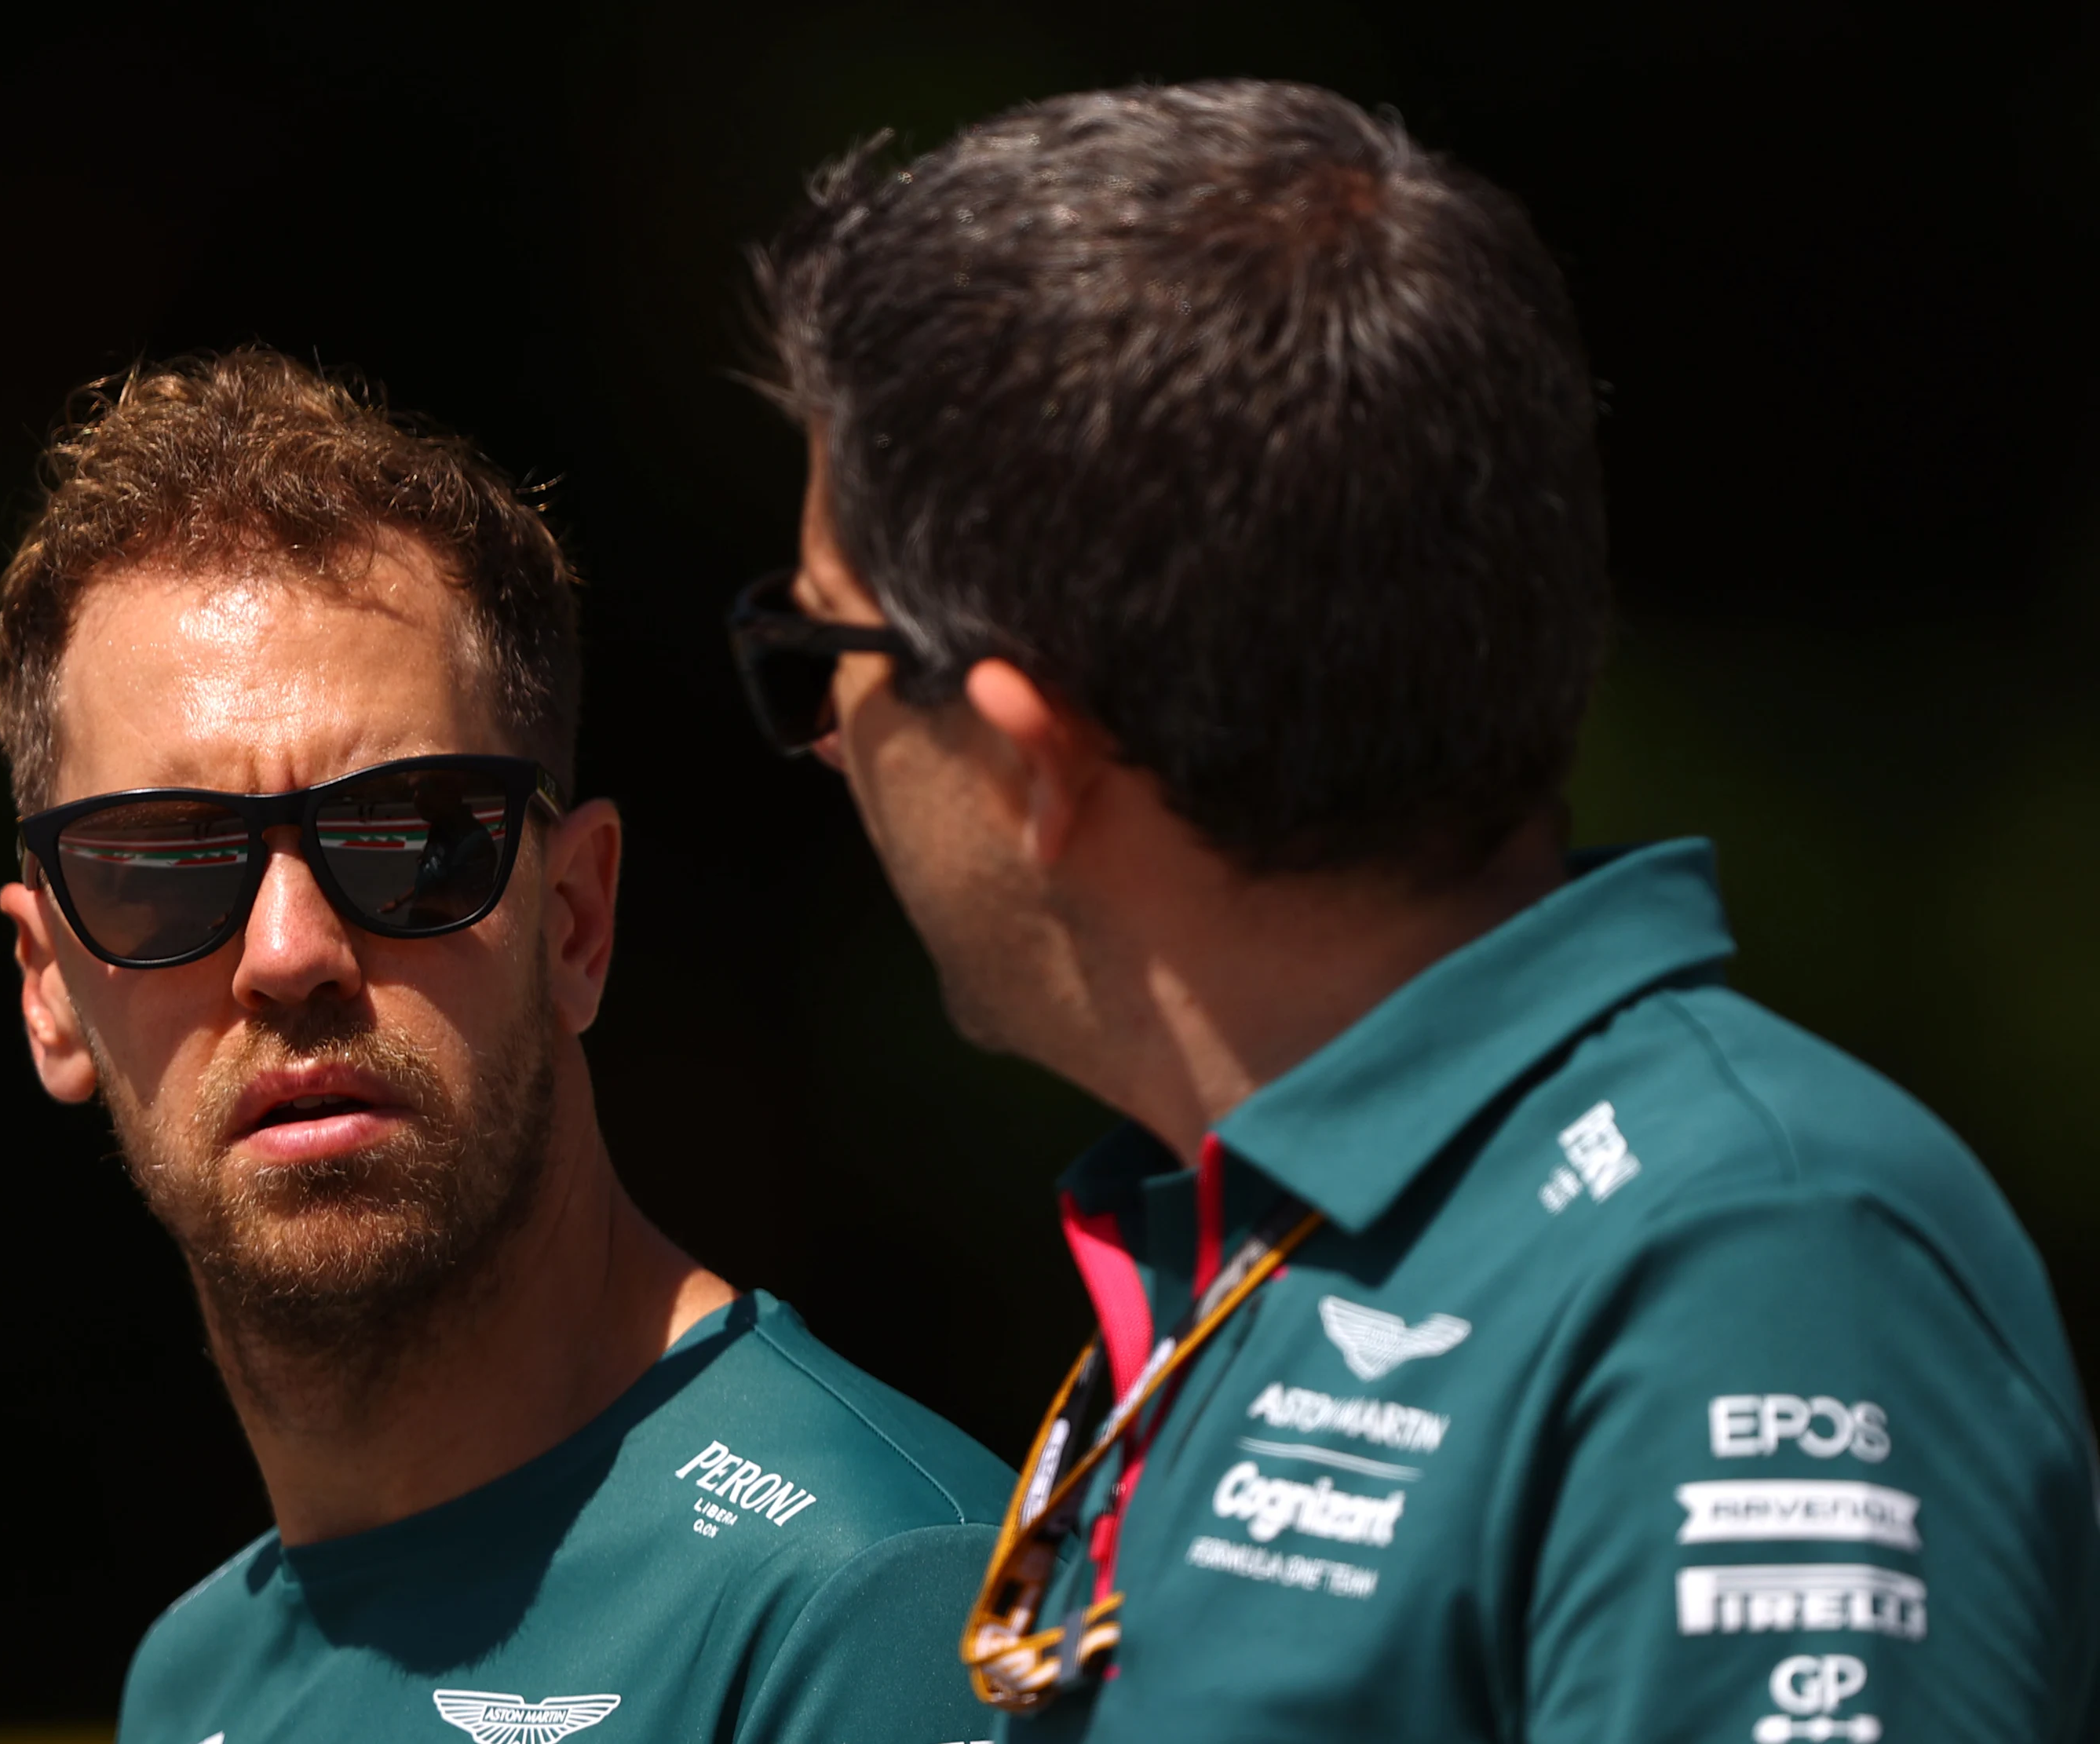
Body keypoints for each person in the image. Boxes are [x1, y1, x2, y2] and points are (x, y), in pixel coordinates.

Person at [732, 79, 2100, 1742]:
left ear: (1033, 760)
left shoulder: (1748, 1269)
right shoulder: (1267, 1252)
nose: (816, 743)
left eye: (819, 659)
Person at [0, 348, 1012, 1744]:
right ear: (49, 987)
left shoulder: (874, 1600)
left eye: (410, 842)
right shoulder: (193, 1677)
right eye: (161, 870)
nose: (289, 952)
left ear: (578, 921)